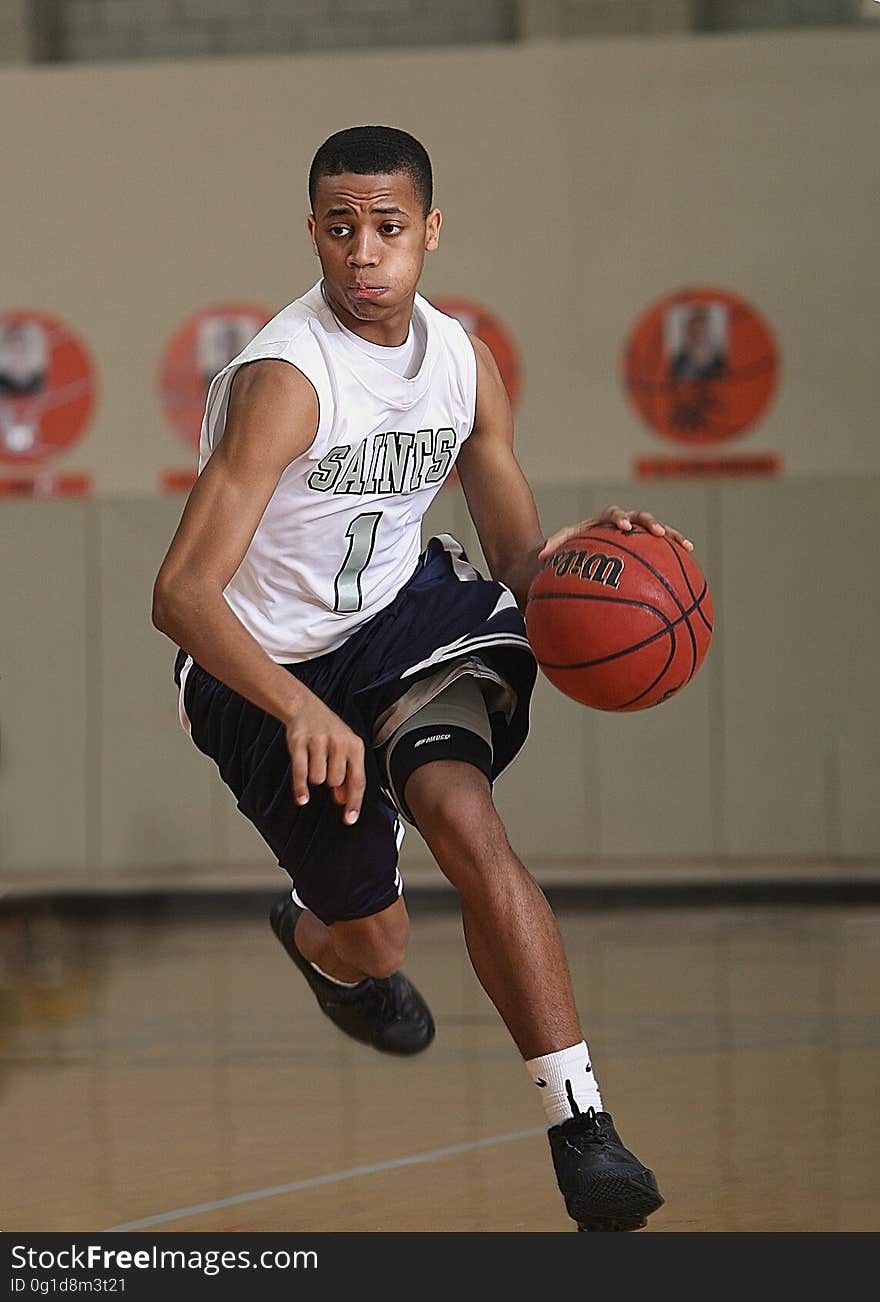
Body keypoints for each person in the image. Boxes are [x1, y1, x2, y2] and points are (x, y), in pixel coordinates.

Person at [152, 125, 695, 1232]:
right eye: (341, 228)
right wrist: (299, 707)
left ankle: (580, 1125)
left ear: (429, 234)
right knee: (376, 939)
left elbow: (516, 563)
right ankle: (320, 942)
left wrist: (591, 560)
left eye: (388, 228)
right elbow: (183, 595)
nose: (363, 253)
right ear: (313, 232)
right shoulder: (284, 383)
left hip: (402, 619)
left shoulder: (461, 363)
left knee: (463, 818)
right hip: (260, 663)